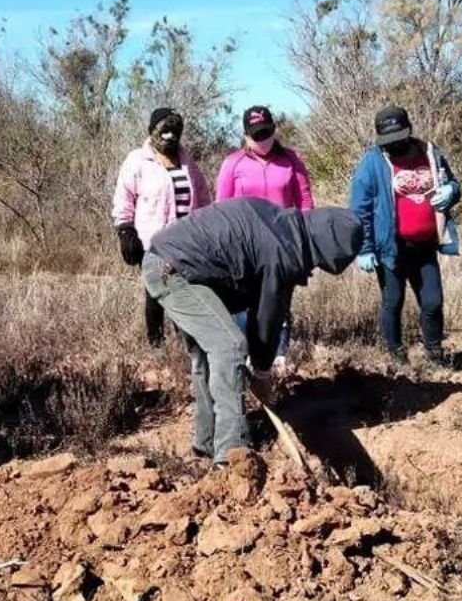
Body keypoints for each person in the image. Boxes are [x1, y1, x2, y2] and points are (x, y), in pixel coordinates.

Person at [143, 199, 361, 466]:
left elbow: (266, 312)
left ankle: (206, 445)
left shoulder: (286, 230)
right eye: (319, 262)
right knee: (229, 346)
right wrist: (261, 372)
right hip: (173, 271)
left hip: (175, 263)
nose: (315, 268)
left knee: (209, 354)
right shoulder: (282, 253)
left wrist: (260, 368)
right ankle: (232, 457)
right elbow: (268, 316)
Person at [349, 105, 462, 365]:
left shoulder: (430, 152)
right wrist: (364, 248)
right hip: (391, 247)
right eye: (388, 140)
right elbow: (360, 208)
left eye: (398, 137)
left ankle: (434, 353)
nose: (393, 144)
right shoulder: (373, 162)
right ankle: (397, 356)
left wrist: (451, 192)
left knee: (433, 302)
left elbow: (453, 183)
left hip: (425, 245)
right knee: (393, 301)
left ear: (409, 130)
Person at [214, 106, 315, 368]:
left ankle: (279, 354)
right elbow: (221, 208)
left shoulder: (291, 160)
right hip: (245, 248)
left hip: (284, 245)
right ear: (246, 136)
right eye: (256, 135)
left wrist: (305, 241)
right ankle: (248, 353)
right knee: (247, 302)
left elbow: (305, 202)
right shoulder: (233, 163)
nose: (263, 140)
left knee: (280, 300)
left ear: (274, 130)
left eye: (267, 133)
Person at [111, 107, 212, 347]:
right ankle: (156, 345)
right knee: (155, 292)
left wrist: (208, 228)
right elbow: (124, 198)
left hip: (187, 242)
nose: (170, 135)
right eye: (164, 130)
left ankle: (186, 344)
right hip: (152, 241)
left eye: (175, 130)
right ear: (152, 131)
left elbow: (202, 197)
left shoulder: (188, 161)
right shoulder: (137, 161)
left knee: (185, 292)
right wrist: (125, 230)